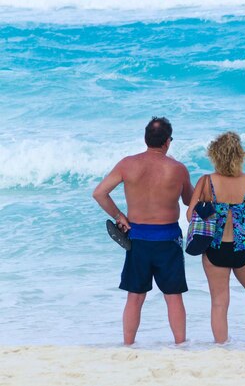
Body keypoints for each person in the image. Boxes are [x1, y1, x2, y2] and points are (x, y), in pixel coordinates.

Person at [93, 117, 193, 345]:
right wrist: (178, 170)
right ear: (168, 141)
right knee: (173, 296)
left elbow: (99, 193)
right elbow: (189, 200)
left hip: (137, 238)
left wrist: (119, 216)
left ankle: (128, 344)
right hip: (168, 239)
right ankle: (180, 345)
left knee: (135, 296)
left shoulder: (127, 164)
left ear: (145, 139)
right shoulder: (177, 169)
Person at [187, 131, 245, 344]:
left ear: (215, 155)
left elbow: (190, 215)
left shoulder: (206, 182)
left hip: (214, 247)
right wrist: (244, 214)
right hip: (244, 248)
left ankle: (221, 346)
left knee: (219, 302)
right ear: (240, 155)